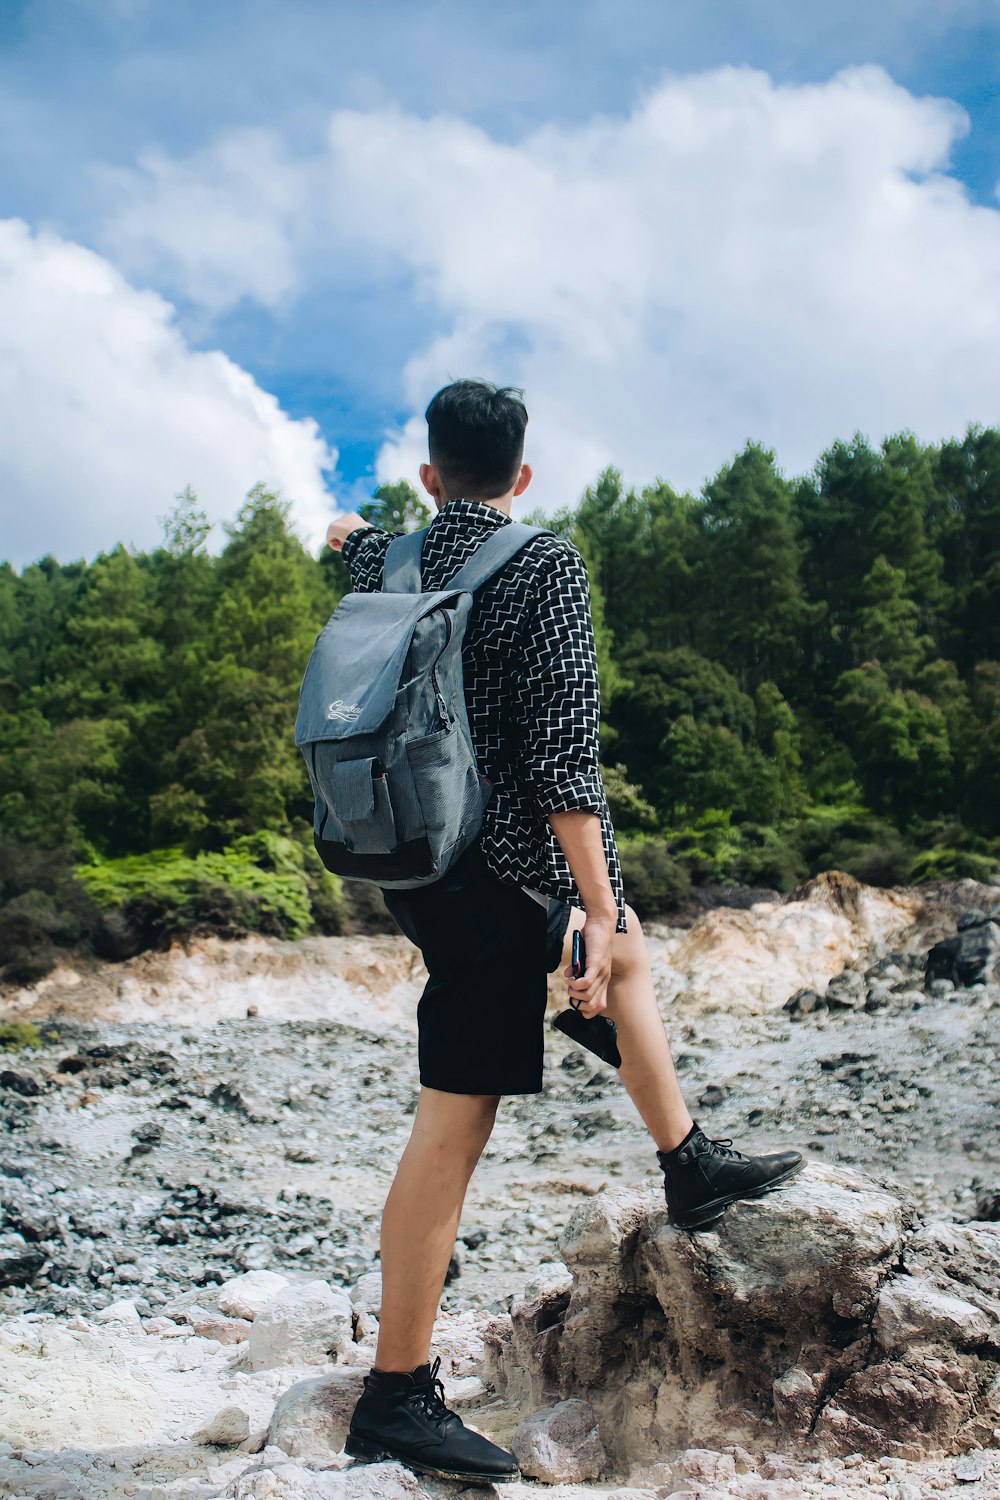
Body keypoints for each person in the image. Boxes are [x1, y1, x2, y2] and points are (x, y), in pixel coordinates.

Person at [326, 379, 803, 1484]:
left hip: (417, 864)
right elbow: (560, 757)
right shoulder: (541, 562)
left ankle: (687, 1160)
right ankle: (395, 1397)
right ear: (522, 477)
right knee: (454, 1123)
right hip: (499, 875)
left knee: (621, 947)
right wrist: (586, 902)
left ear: (432, 475)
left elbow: (353, 541)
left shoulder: (391, 559)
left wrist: (357, 531)